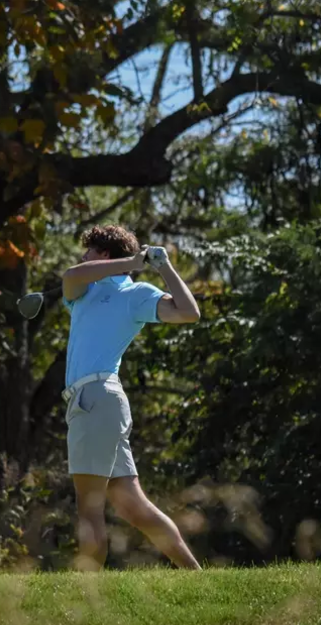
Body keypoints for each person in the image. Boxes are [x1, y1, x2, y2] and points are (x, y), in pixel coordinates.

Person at [60, 224, 202, 571]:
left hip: (95, 398)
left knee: (89, 506)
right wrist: (133, 262)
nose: (83, 256)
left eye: (89, 250)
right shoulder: (83, 290)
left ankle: (87, 594)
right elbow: (72, 274)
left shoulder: (136, 294)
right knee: (132, 507)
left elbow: (189, 313)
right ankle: (196, 576)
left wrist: (164, 267)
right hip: (103, 402)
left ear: (105, 253)